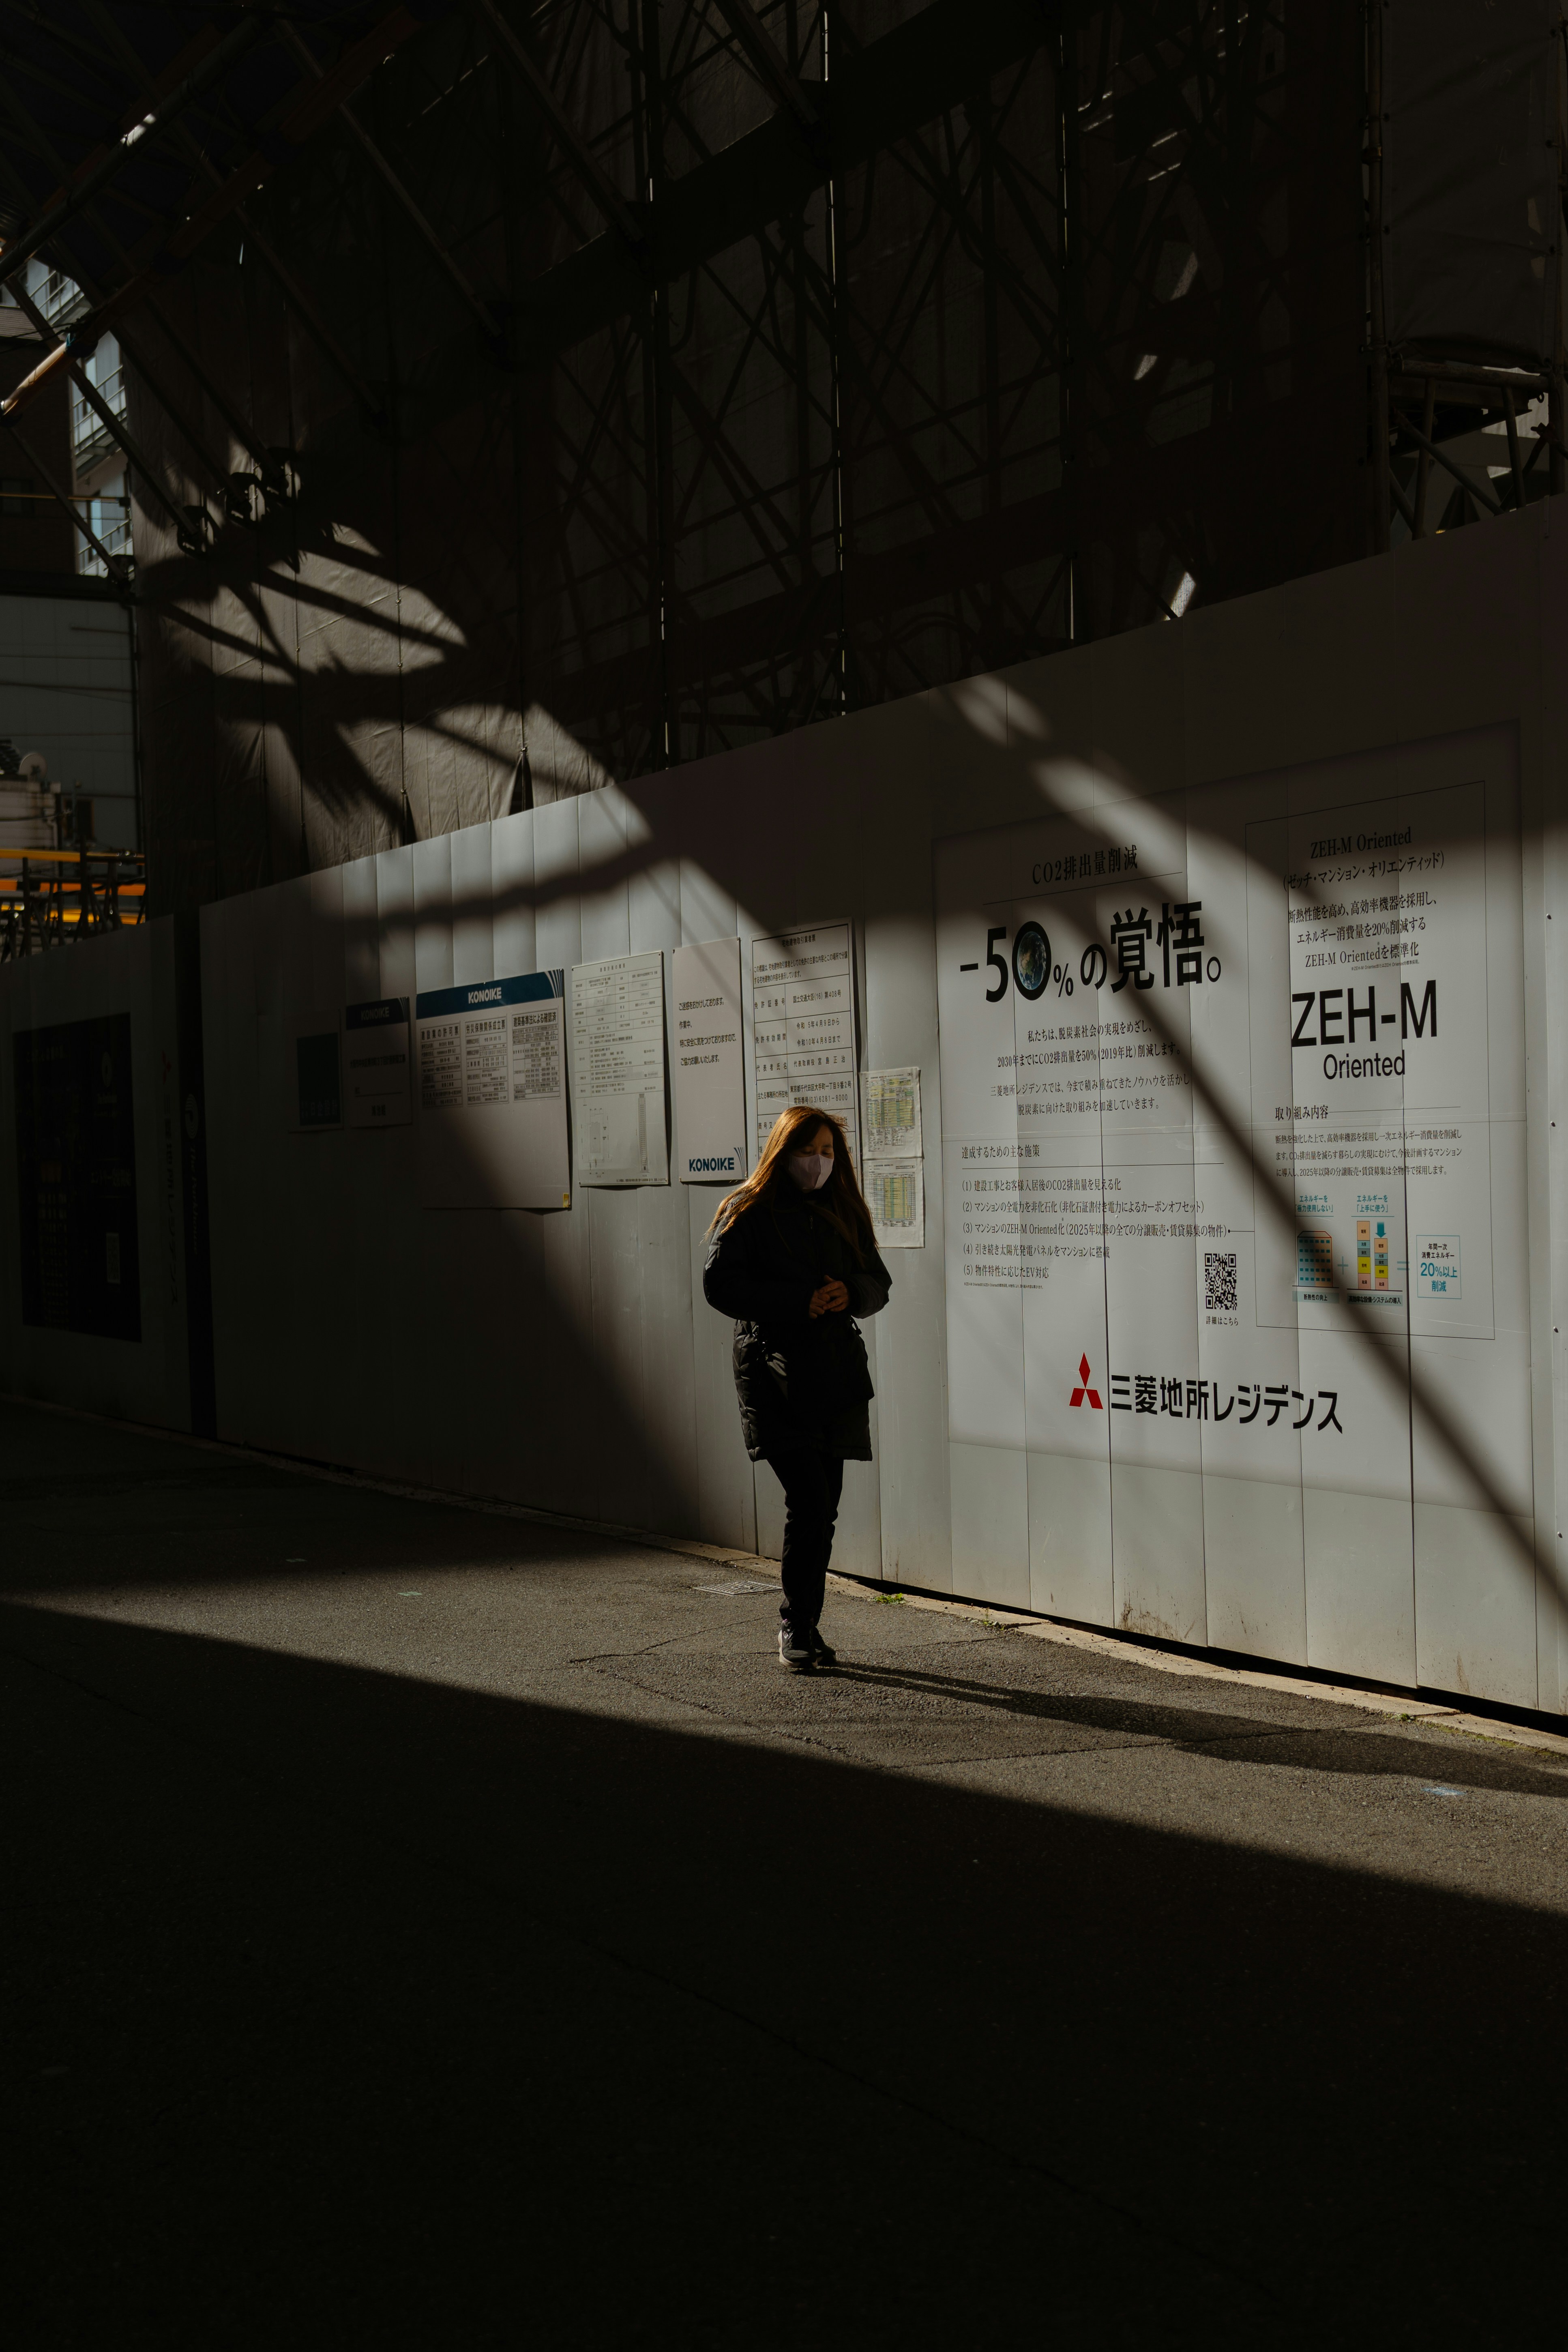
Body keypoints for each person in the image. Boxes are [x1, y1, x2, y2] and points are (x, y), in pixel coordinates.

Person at [702, 1105, 892, 1671]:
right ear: (782, 1153)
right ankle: (796, 1625)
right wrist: (796, 1301)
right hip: (773, 1374)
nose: (819, 1163)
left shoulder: (844, 1208)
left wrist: (848, 1294)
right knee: (808, 1499)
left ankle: (805, 1624)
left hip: (832, 1374)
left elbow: (877, 1281)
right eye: (808, 1151)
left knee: (823, 1508)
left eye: (829, 1152)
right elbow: (721, 1284)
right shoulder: (748, 1210)